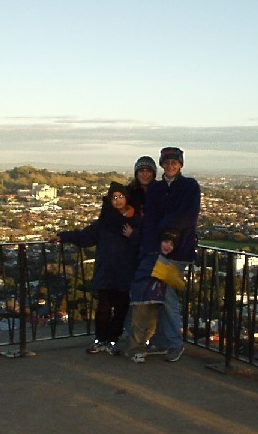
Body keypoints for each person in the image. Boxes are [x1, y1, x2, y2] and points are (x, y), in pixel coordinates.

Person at [52, 181, 142, 354]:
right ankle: (100, 340)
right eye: (114, 197)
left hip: (126, 272)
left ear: (127, 198)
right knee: (103, 309)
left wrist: (133, 235)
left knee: (121, 310)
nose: (118, 200)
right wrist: (63, 237)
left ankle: (112, 342)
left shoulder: (136, 221)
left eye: (121, 196)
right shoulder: (104, 222)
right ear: (109, 200)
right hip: (106, 271)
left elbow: (143, 242)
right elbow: (85, 236)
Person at [138, 146, 201, 362]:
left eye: (175, 162)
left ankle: (175, 343)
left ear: (181, 164)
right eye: (167, 163)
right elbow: (150, 219)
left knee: (168, 297)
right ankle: (164, 341)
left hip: (179, 250)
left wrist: (166, 235)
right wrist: (152, 246)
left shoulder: (190, 186)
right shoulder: (156, 189)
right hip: (158, 250)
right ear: (162, 165)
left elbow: (188, 216)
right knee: (160, 297)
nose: (171, 166)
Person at [124, 229, 185, 363]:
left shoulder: (155, 256)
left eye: (172, 244)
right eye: (166, 242)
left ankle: (141, 348)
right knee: (140, 324)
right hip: (143, 295)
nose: (168, 246)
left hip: (151, 295)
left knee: (149, 324)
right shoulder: (155, 257)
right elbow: (171, 279)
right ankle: (136, 350)